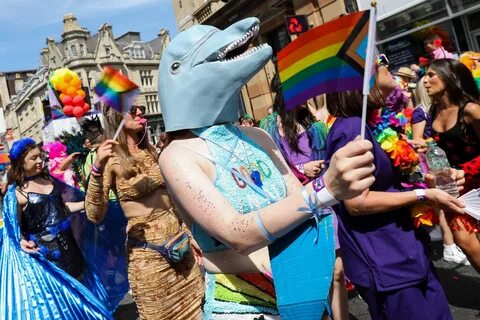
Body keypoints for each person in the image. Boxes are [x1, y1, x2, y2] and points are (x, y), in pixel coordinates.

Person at [158, 17, 376, 319]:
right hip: (243, 306)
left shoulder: (258, 136)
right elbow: (236, 233)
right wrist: (325, 188)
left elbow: (297, 200)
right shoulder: (176, 155)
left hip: (303, 292)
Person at [325, 63, 465, 320]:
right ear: (362, 79)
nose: (387, 65)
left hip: (409, 252)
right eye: (380, 63)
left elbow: (394, 181)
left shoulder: (376, 122)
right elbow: (356, 202)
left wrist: (432, 184)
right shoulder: (350, 129)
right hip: (385, 261)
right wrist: (423, 196)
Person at [85, 104, 204, 319]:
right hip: (149, 258)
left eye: (141, 107)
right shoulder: (110, 159)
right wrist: (97, 168)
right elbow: (94, 214)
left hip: (181, 249)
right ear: (116, 117)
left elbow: (174, 198)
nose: (140, 112)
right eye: (133, 109)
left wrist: (189, 232)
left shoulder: (152, 151)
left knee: (202, 312)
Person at [260, 76, 348, 319]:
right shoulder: (267, 127)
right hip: (292, 208)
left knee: (337, 271)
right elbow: (268, 171)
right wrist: (301, 170)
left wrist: (323, 168)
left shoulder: (316, 126)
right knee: (308, 276)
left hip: (324, 203)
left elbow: (331, 161)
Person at [0, 138, 112, 319]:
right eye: (33, 158)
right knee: (63, 301)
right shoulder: (16, 194)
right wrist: (21, 241)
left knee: (81, 292)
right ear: (21, 162)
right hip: (47, 257)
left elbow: (63, 209)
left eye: (40, 157)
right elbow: (12, 229)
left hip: (71, 249)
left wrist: (87, 203)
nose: (39, 161)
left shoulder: (48, 180)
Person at [424, 58, 480, 272]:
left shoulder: (472, 109)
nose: (425, 81)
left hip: (475, 179)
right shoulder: (433, 111)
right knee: (463, 240)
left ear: (451, 77)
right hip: (456, 188)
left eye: (431, 75)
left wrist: (463, 170)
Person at [411, 76, 470, 265]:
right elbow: (417, 139)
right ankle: (450, 245)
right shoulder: (420, 112)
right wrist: (433, 144)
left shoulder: (438, 109)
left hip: (445, 161)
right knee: (445, 202)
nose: (428, 83)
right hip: (433, 163)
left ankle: (454, 243)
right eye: (425, 82)